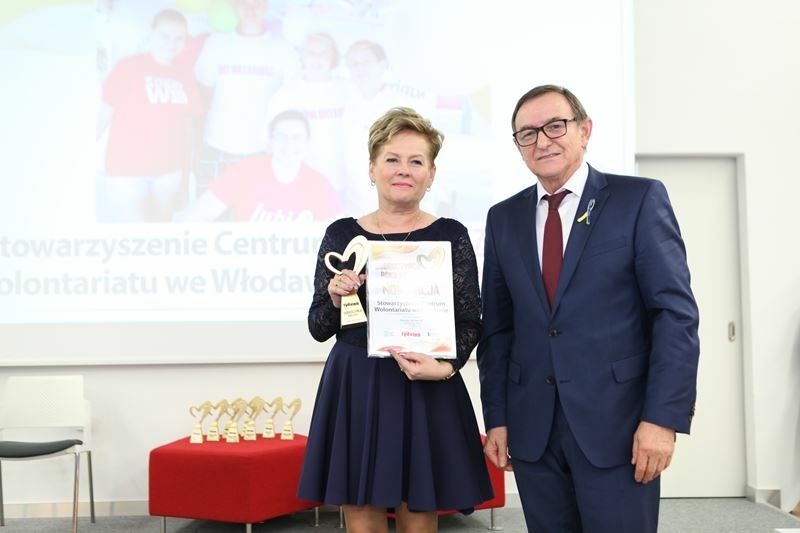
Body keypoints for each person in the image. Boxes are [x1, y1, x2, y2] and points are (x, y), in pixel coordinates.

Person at [477, 84, 700, 532]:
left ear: (585, 130)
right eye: (527, 133)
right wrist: (497, 419)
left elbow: (674, 316)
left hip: (619, 428)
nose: (542, 141)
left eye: (555, 126)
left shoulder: (638, 199)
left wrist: (662, 418)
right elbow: (498, 330)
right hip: (533, 430)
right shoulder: (503, 218)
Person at [298, 106, 493, 532]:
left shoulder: (451, 234)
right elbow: (318, 327)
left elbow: (470, 320)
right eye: (392, 159)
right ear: (372, 169)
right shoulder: (341, 234)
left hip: (425, 385)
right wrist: (335, 298)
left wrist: (445, 367)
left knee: (419, 517)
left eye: (416, 161)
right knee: (361, 516)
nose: (404, 170)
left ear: (431, 174)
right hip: (357, 385)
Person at [97, 8, 200, 222]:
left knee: (161, 233)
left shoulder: (186, 74)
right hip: (127, 170)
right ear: (151, 32)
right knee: (138, 234)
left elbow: (188, 131)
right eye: (165, 36)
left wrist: (185, 180)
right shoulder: (127, 67)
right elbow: (102, 117)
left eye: (179, 39)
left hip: (169, 171)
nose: (171, 44)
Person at [173, 109, 342, 222]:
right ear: (270, 140)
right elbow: (196, 216)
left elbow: (343, 239)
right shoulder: (244, 172)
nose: (289, 144)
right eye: (281, 136)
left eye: (297, 137)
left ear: (307, 142)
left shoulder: (318, 184)